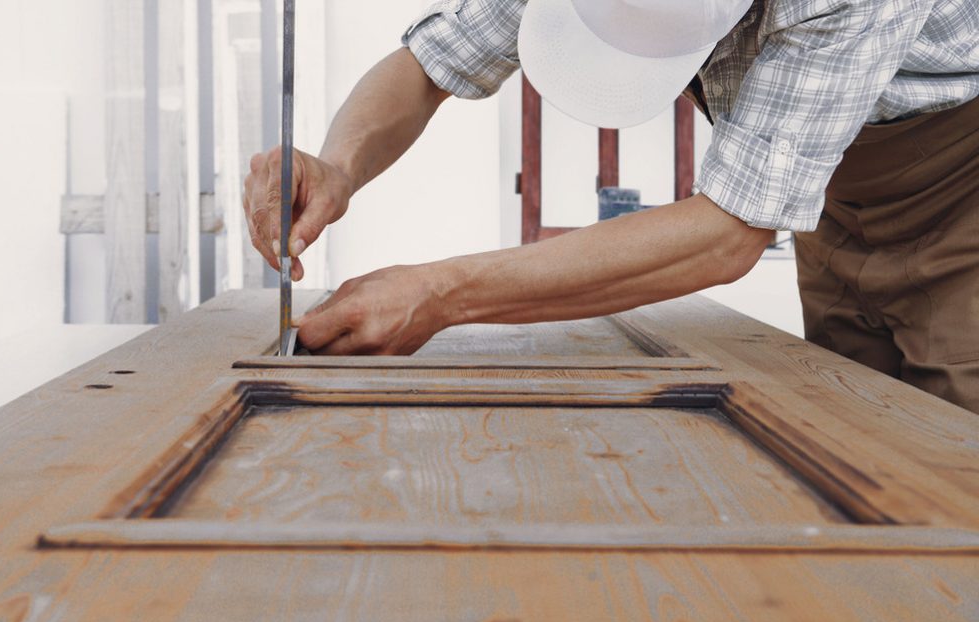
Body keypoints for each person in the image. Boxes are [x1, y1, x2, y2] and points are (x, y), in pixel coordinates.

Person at [243, 0, 979, 412]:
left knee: (949, 461)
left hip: (962, 186)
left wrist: (441, 295)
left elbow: (727, 232)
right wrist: (337, 164)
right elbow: (432, 65)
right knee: (857, 423)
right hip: (842, 190)